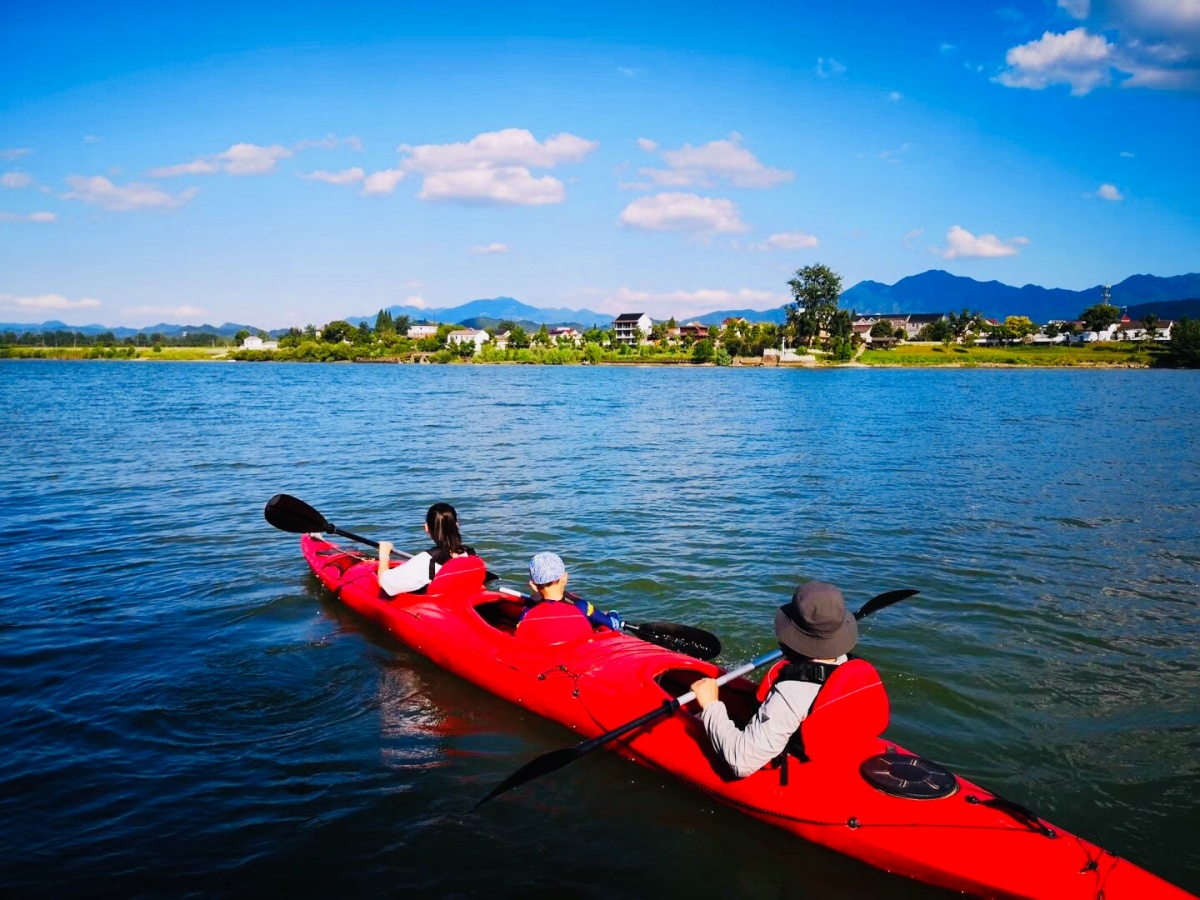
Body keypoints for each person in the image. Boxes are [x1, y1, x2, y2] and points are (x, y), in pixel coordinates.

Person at [690, 580, 866, 778]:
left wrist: (711, 704)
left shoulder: (793, 693)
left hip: (792, 773)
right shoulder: (845, 663)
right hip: (833, 750)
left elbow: (740, 761)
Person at [376, 503, 475, 596]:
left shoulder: (425, 561)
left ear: (426, 527)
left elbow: (383, 583)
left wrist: (384, 553)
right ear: (457, 525)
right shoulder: (469, 553)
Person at [523, 551, 623, 631]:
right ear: (565, 578)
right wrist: (613, 613)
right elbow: (613, 624)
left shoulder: (528, 613)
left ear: (533, 585)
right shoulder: (581, 606)